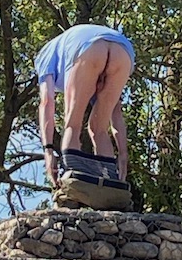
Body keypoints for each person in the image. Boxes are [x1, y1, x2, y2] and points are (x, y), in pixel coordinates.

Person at [35, 24, 135, 188]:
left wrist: (48, 150)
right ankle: (110, 185)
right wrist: (123, 154)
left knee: (72, 124)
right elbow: (116, 112)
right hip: (123, 52)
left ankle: (72, 184)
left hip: (88, 49)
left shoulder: (44, 57)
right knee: (98, 128)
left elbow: (46, 102)